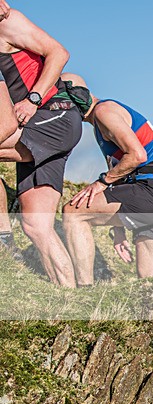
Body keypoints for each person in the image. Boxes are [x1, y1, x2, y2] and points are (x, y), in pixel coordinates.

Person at [60, 73, 153, 285]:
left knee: (74, 213)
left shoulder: (104, 112)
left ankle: (83, 292)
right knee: (152, 282)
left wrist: (101, 182)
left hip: (152, 190)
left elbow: (137, 155)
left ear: (75, 99)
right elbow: (121, 174)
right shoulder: (102, 120)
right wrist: (118, 229)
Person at [0, 7, 82, 286]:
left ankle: (2, 238)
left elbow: (59, 52)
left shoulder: (7, 21)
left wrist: (33, 98)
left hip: (51, 115)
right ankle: (70, 302)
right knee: (37, 226)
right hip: (38, 127)